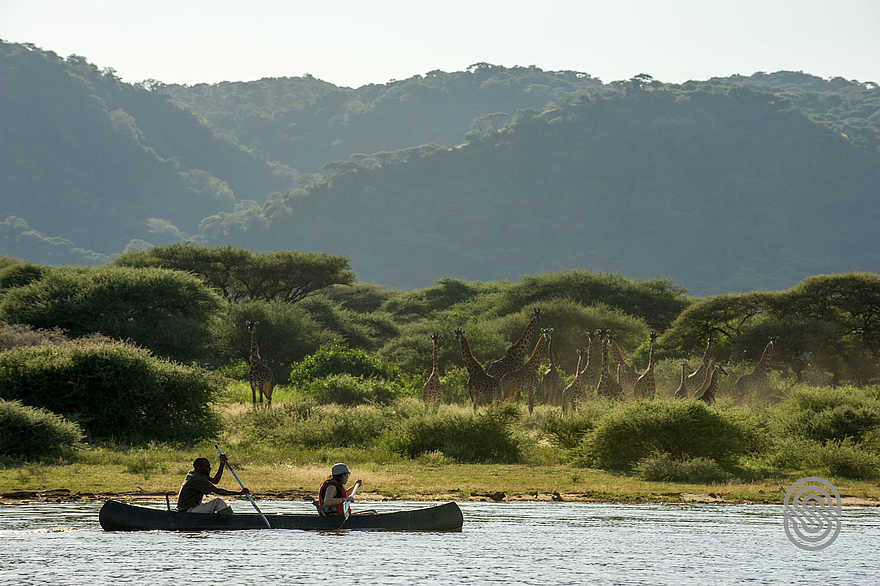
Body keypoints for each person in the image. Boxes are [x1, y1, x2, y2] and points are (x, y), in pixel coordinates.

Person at [176, 454, 249, 514]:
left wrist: (222, 464)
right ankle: (230, 521)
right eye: (207, 466)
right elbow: (218, 491)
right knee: (218, 502)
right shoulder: (197, 479)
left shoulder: (194, 473)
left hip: (189, 510)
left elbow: (215, 481)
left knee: (216, 505)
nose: (210, 468)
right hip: (188, 512)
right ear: (199, 467)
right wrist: (239, 493)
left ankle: (223, 519)